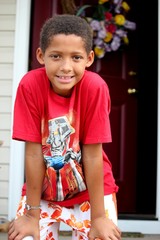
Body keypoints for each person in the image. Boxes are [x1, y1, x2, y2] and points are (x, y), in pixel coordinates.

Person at [8, 14, 121, 240]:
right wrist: (31, 214)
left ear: (89, 59)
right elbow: (33, 153)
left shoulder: (95, 88)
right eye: (56, 56)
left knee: (101, 236)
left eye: (76, 57)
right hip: (42, 194)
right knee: (26, 236)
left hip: (92, 194)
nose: (66, 67)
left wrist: (99, 217)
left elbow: (92, 154)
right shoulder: (30, 85)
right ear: (41, 56)